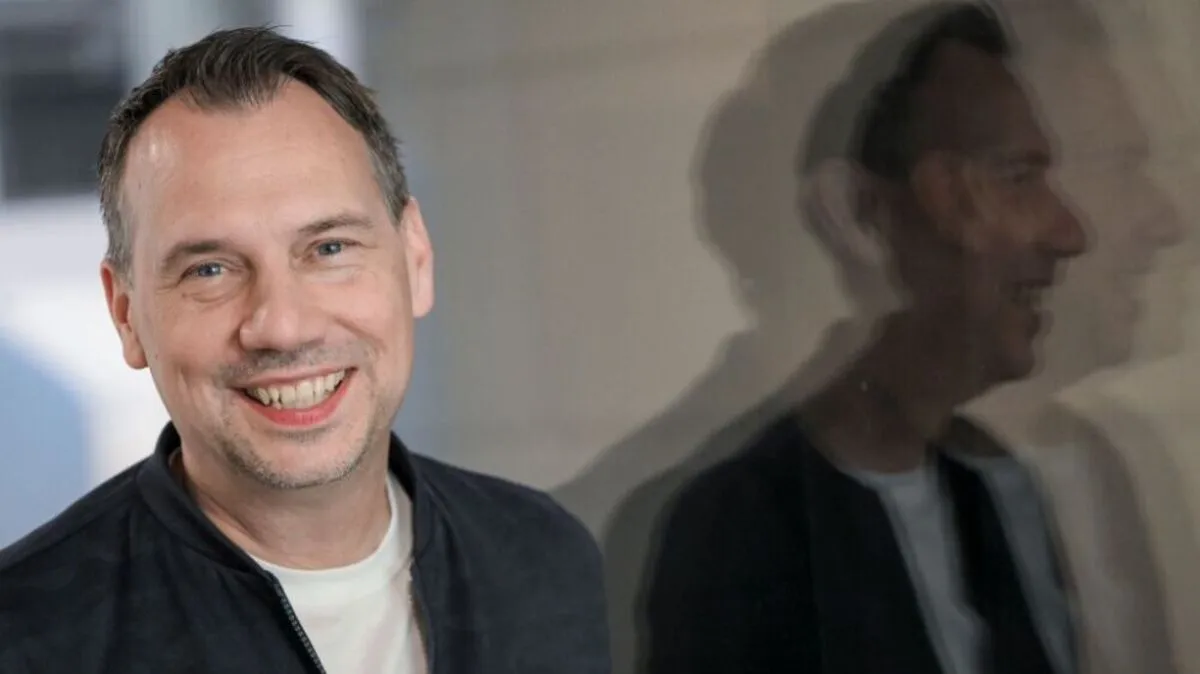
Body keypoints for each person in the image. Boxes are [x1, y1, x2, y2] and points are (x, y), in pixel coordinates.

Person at [0, 27, 609, 674]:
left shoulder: (546, 560)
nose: (284, 327)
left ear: (416, 258)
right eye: (210, 270)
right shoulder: (25, 639)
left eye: (329, 249)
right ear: (126, 314)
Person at [642, 4, 1087, 673]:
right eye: (1015, 178)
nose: (1069, 233)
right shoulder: (738, 529)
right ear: (860, 215)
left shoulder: (995, 485)